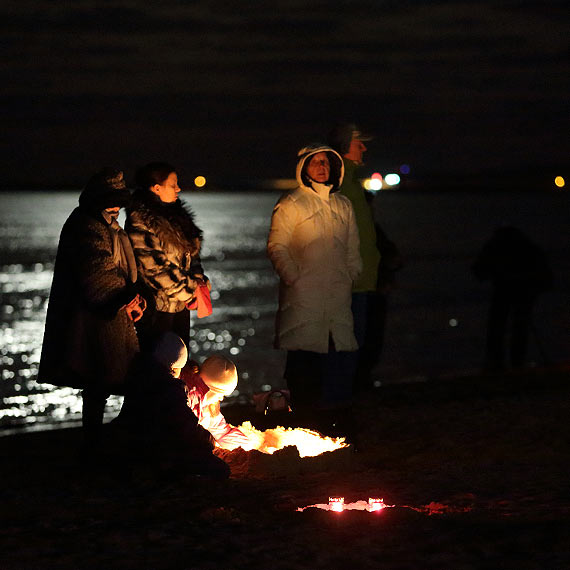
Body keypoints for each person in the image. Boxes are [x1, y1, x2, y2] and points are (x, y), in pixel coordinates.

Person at [38, 168, 146, 451]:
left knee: (104, 380)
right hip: (90, 319)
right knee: (97, 381)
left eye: (119, 200)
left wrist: (132, 298)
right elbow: (97, 273)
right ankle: (93, 445)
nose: (117, 206)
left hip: (108, 314)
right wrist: (126, 298)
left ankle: (102, 441)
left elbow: (117, 269)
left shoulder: (106, 223)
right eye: (112, 200)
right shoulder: (87, 225)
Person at [267, 143, 362, 436]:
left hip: (336, 295)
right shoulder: (292, 202)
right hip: (304, 296)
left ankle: (330, 422)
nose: (322, 167)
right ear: (304, 167)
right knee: (303, 359)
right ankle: (302, 422)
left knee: (334, 356)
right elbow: (277, 245)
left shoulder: (343, 204)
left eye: (326, 162)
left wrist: (351, 272)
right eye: (316, 162)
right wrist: (294, 276)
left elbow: (352, 247)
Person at [116, 332, 231, 479]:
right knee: (221, 470)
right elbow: (186, 426)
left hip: (131, 444)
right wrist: (208, 439)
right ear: (174, 366)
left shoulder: (138, 374)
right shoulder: (170, 388)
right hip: (156, 449)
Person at [125, 162, 209, 350]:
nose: (178, 188)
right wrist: (190, 290)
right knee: (160, 365)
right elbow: (155, 269)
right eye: (173, 185)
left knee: (181, 363)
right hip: (157, 310)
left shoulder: (177, 217)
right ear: (156, 188)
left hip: (180, 307)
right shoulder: (141, 221)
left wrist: (198, 279)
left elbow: (192, 254)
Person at [327, 122, 382, 392]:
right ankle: (335, 403)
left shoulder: (351, 184)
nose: (363, 147)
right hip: (349, 285)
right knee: (344, 347)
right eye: (357, 142)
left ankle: (341, 400)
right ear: (343, 146)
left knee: (351, 346)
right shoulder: (341, 186)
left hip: (360, 283)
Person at [472, 226, 553, 370]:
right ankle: (514, 364)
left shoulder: (497, 246)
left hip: (508, 292)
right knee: (517, 328)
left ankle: (499, 364)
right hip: (522, 293)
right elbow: (544, 275)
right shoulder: (527, 247)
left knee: (499, 328)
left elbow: (479, 271)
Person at [180, 354, 254, 451]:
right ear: (209, 389)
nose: (221, 399)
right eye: (220, 394)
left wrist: (249, 445)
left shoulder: (207, 405)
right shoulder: (188, 398)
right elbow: (188, 436)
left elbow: (222, 431)